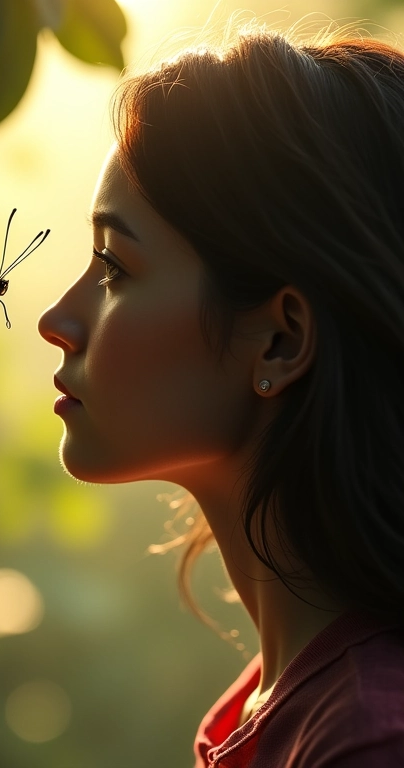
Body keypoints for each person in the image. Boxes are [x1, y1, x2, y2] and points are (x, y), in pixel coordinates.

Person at [38, 24, 404, 767]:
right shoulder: (282, 709)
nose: (56, 322)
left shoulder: (368, 738)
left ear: (279, 341)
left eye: (115, 269)